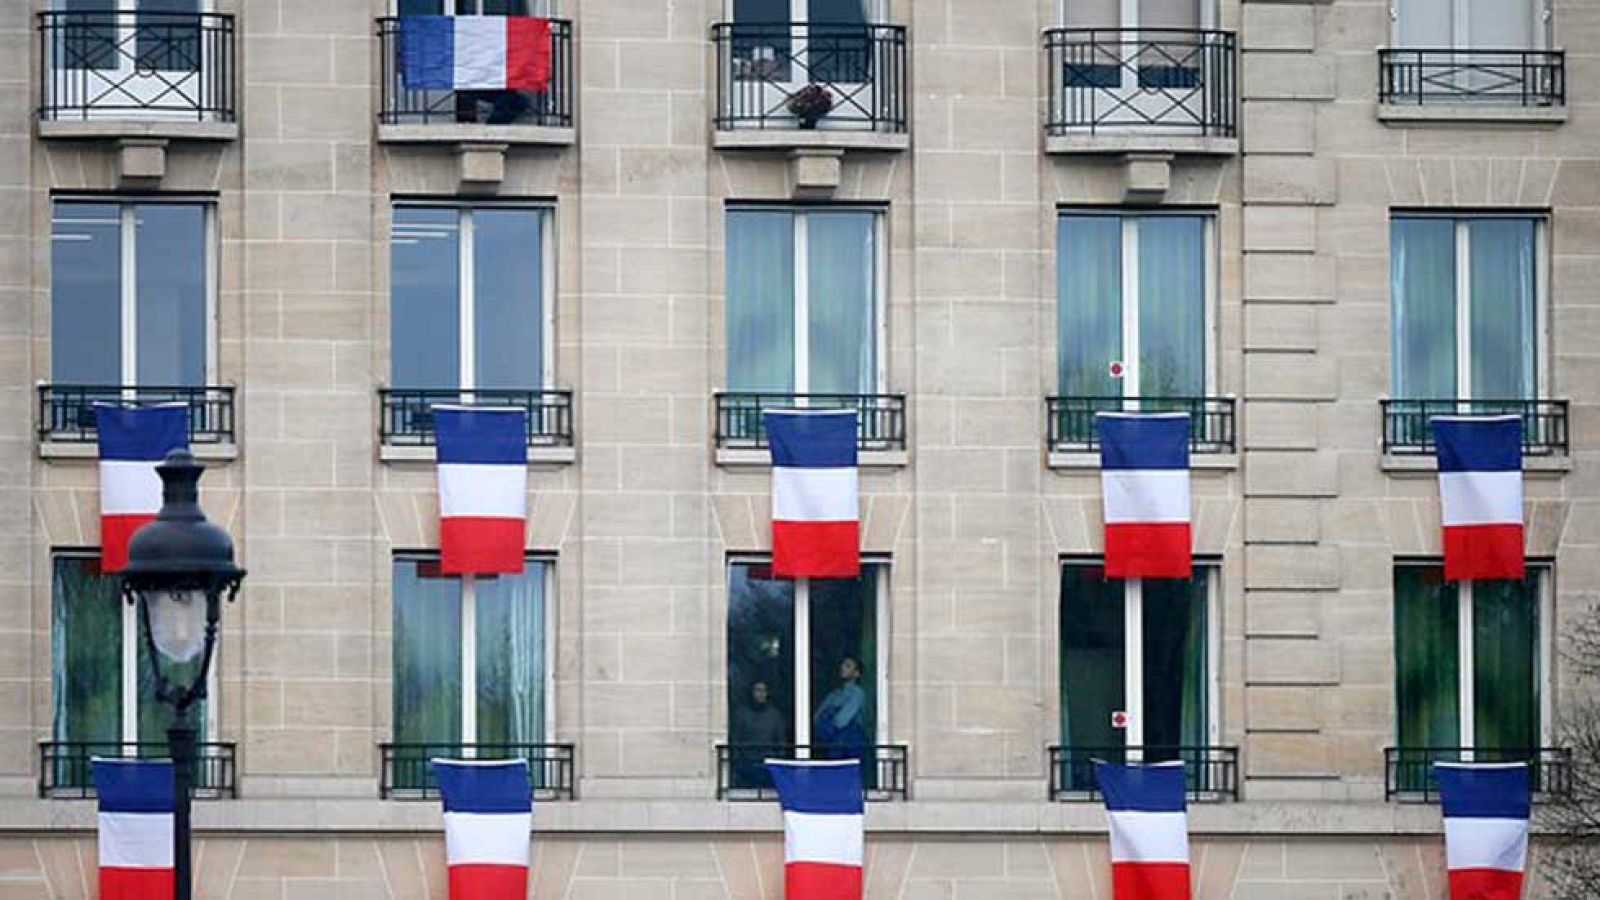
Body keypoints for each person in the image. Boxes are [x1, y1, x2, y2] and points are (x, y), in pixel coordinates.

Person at [812, 657, 868, 778]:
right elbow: (817, 717)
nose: (843, 668)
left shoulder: (857, 693)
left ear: (857, 673)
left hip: (851, 743)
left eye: (848, 666)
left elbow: (841, 721)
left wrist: (828, 721)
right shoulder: (834, 694)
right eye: (843, 665)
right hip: (834, 743)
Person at [731, 680, 788, 789]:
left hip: (768, 765)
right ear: (751, 692)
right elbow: (736, 739)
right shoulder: (742, 715)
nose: (761, 694)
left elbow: (781, 742)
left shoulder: (775, 716)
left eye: (764, 691)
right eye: (757, 690)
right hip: (747, 765)